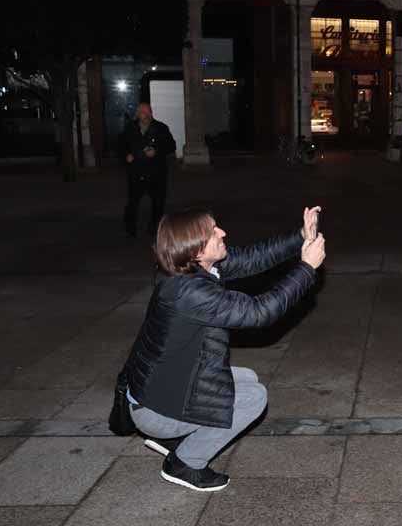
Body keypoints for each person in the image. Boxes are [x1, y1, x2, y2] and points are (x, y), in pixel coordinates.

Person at [124, 207, 326, 491]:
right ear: (195, 249)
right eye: (212, 232)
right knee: (254, 397)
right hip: (154, 410)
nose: (222, 233)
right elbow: (259, 312)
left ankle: (178, 436)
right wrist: (306, 269)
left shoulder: (191, 269)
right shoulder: (190, 293)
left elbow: (252, 258)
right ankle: (185, 463)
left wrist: (300, 236)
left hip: (156, 390)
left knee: (246, 378)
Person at [121, 103, 176, 237]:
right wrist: (126, 155)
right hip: (137, 172)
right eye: (143, 112)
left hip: (156, 173)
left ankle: (154, 229)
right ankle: (130, 229)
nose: (146, 115)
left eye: (148, 112)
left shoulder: (161, 128)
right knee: (133, 202)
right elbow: (121, 145)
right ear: (137, 114)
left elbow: (171, 145)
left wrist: (156, 151)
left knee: (158, 203)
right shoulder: (130, 128)